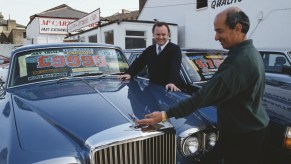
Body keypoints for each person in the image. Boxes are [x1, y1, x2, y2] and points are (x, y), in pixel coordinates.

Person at [136, 7, 269, 164]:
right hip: (245, 128)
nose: (216, 37)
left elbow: (203, 96)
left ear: (238, 28)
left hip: (242, 135)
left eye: (220, 31)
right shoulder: (249, 52)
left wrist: (165, 115)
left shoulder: (239, 62)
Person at [119, 22, 182, 92]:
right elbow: (139, 63)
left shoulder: (175, 49)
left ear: (169, 34)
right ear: (153, 35)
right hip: (153, 89)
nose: (160, 37)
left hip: (169, 90)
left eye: (163, 34)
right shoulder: (149, 49)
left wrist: (172, 82)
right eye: (158, 34)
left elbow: (175, 68)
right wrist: (129, 73)